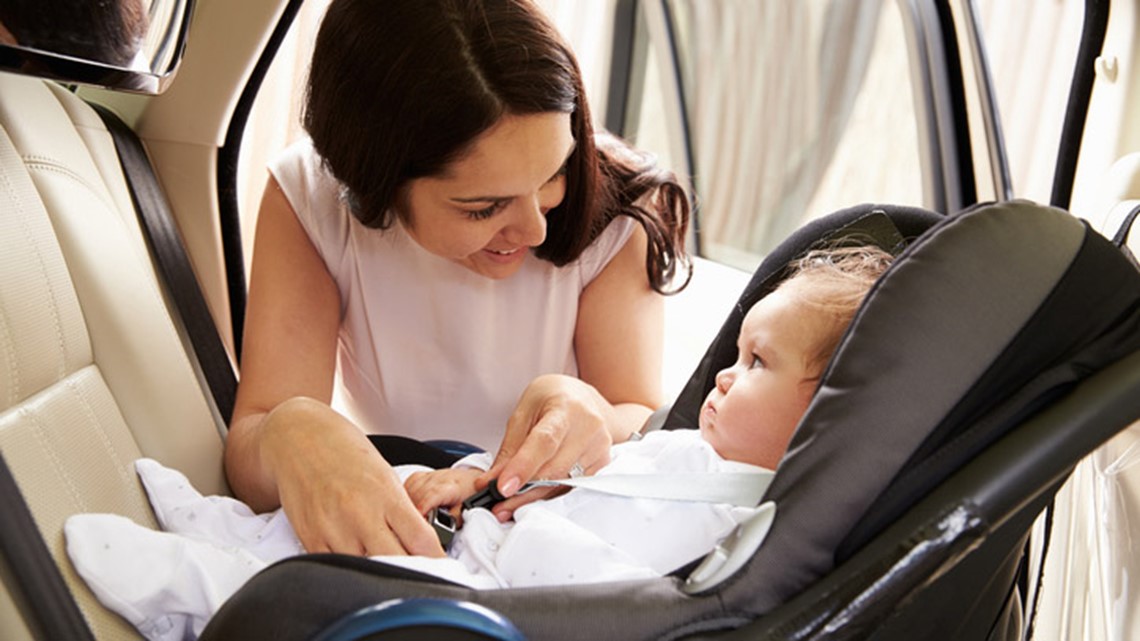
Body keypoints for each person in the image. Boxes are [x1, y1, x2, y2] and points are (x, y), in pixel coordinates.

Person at [65, 245, 893, 641]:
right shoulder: (690, 457)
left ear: (824, 415)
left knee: (312, 578)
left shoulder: (731, 520)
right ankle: (211, 524)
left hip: (496, 593)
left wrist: (519, 529)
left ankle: (184, 588)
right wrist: (479, 482)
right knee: (326, 517)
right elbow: (589, 475)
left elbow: (632, 596)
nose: (718, 375)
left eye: (756, 364)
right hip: (483, 538)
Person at [225, 0, 692, 561]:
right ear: (376, 184)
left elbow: (636, 413)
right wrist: (292, 431)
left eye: (552, 175)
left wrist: (585, 409)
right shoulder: (311, 201)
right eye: (484, 207)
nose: (535, 228)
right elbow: (255, 439)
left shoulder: (619, 205)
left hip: (554, 523)